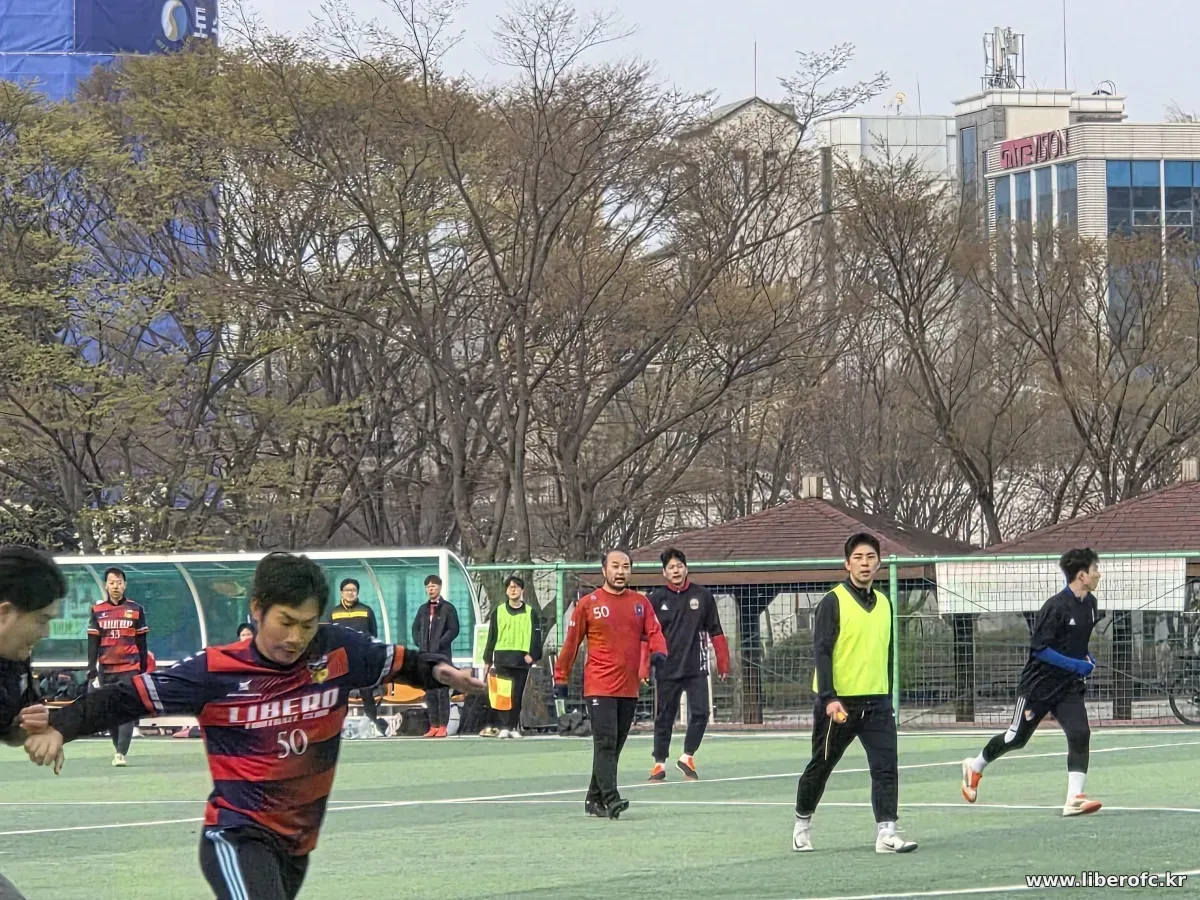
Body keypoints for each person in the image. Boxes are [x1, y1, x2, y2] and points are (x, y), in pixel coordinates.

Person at [24, 552, 484, 900]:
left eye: (307, 625)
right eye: (286, 622)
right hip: (237, 834)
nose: (295, 637)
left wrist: (442, 672)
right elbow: (126, 696)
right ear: (258, 609)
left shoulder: (339, 651)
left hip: (297, 844)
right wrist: (60, 727)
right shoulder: (215, 670)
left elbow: (403, 662)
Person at [793, 532, 917, 854]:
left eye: (871, 557)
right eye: (858, 558)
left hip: (877, 703)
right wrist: (829, 697)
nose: (865, 563)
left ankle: (887, 833)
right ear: (847, 564)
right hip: (839, 704)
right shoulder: (832, 601)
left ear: (878, 563)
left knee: (886, 766)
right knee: (821, 765)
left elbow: (887, 652)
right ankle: (802, 823)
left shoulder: (885, 604)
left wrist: (888, 695)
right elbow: (821, 651)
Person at [961, 548, 1104, 817]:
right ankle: (975, 766)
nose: (1099, 574)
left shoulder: (1091, 605)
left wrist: (1087, 659)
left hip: (1069, 687)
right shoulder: (1055, 607)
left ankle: (1074, 799)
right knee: (1016, 739)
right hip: (1038, 687)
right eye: (1095, 569)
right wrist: (1075, 665)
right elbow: (1040, 650)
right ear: (1081, 575)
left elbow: (1077, 644)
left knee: (1080, 733)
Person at [554, 549, 668, 820]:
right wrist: (561, 677)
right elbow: (571, 644)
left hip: (628, 687)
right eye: (615, 566)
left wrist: (659, 653)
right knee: (605, 742)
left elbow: (655, 631)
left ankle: (593, 799)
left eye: (625, 567)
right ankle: (611, 798)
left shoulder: (640, 603)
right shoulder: (588, 604)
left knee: (614, 745)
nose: (620, 572)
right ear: (604, 570)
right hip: (599, 686)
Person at [0, 545, 68, 900]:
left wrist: (26, 726)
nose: (45, 632)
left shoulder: (13, 657)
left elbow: (10, 729)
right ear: (4, 614)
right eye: (41, 620)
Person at [645, 548, 729, 782]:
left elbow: (716, 631)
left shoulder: (703, 596)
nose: (676, 571)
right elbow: (646, 635)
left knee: (701, 712)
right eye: (671, 567)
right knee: (665, 716)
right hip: (666, 668)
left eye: (679, 566)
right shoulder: (655, 599)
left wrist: (723, 663)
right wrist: (644, 667)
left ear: (686, 568)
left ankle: (687, 756)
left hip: (696, 667)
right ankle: (659, 763)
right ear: (664, 573)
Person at [87, 566, 149, 767]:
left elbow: (142, 641)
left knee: (127, 709)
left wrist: (143, 666)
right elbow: (93, 642)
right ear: (106, 585)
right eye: (112, 582)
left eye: (119, 582)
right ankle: (117, 749)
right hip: (106, 669)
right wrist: (91, 667)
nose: (115, 586)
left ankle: (121, 752)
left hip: (130, 667)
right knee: (111, 712)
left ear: (125, 585)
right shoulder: (97, 611)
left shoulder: (136, 610)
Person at [482, 575, 544, 739]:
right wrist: (487, 660)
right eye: (510, 587)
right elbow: (491, 636)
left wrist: (533, 656)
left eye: (516, 587)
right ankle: (504, 727)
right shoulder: (498, 612)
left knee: (517, 695)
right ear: (506, 591)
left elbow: (537, 637)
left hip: (521, 660)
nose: (513, 590)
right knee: (503, 695)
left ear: (522, 590)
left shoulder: (531, 613)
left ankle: (513, 726)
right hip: (502, 659)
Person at [326, 579, 389, 736]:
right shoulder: (333, 612)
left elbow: (373, 635)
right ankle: (336, 730)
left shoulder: (366, 611)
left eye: (353, 590)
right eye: (347, 590)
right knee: (340, 696)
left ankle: (375, 727)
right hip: (341, 661)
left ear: (358, 592)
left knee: (367, 694)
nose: (350, 593)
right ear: (341, 593)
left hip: (361, 660)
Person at [412, 574, 459, 738]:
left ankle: (443, 726)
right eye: (428, 587)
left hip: (441, 656)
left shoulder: (448, 608)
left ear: (440, 588)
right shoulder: (422, 609)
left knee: (442, 691)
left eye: (434, 586)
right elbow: (415, 629)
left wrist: (440, 644)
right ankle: (433, 725)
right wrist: (420, 643)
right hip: (426, 656)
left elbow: (454, 629)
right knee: (430, 692)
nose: (431, 589)